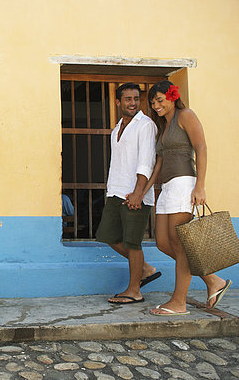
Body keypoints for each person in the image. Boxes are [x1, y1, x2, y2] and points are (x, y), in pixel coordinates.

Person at [137, 81, 231, 315]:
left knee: (180, 245)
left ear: (172, 96)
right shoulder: (164, 125)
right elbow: (158, 163)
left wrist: (200, 185)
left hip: (184, 183)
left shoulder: (185, 115)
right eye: (153, 102)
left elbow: (201, 147)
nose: (156, 105)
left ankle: (178, 303)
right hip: (166, 188)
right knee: (163, 243)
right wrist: (143, 191)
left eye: (160, 100)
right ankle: (212, 281)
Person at [95, 83, 161, 304]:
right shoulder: (117, 129)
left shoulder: (146, 125)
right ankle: (145, 269)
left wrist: (138, 192)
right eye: (127, 99)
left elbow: (146, 161)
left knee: (133, 242)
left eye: (136, 98)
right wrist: (111, 190)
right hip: (116, 191)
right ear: (118, 102)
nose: (132, 103)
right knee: (108, 236)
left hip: (136, 193)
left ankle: (135, 290)